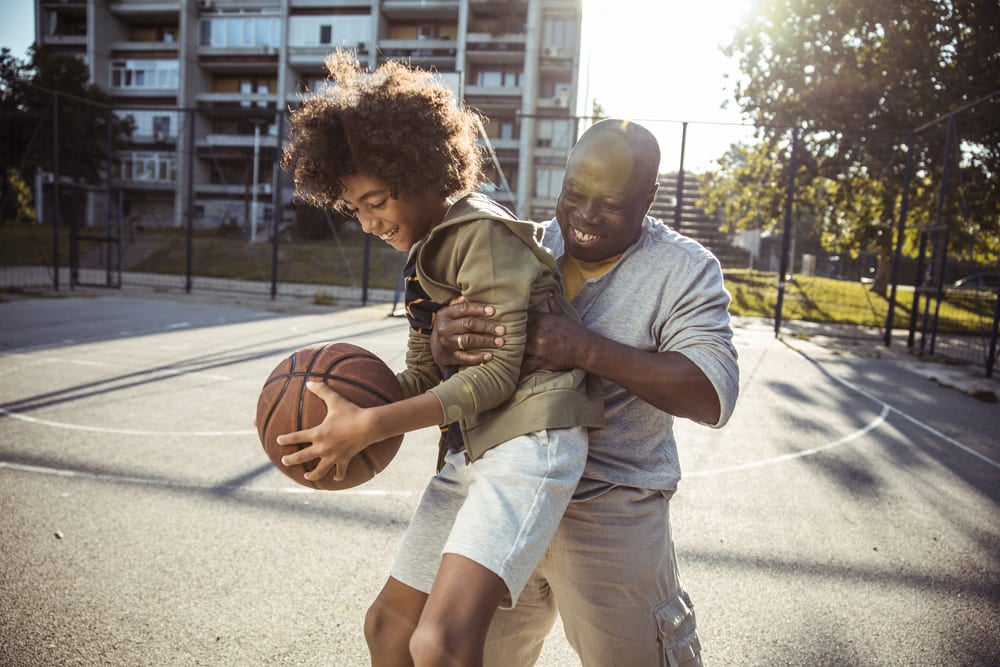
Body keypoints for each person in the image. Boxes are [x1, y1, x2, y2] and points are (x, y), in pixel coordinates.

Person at [276, 50, 604, 667]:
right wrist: (347, 409)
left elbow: (499, 374)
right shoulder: (421, 256)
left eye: (377, 201)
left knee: (440, 642)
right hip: (475, 446)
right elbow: (424, 375)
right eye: (357, 210)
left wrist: (372, 426)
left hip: (533, 443)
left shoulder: (480, 232)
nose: (369, 222)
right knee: (387, 629)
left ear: (424, 169)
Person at [431, 118, 740, 666]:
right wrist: (445, 341)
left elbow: (712, 392)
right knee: (469, 655)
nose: (586, 215)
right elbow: (460, 375)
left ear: (648, 198)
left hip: (609, 500)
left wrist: (586, 349)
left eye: (611, 203)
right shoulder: (519, 249)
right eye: (575, 193)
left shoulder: (683, 269)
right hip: (510, 492)